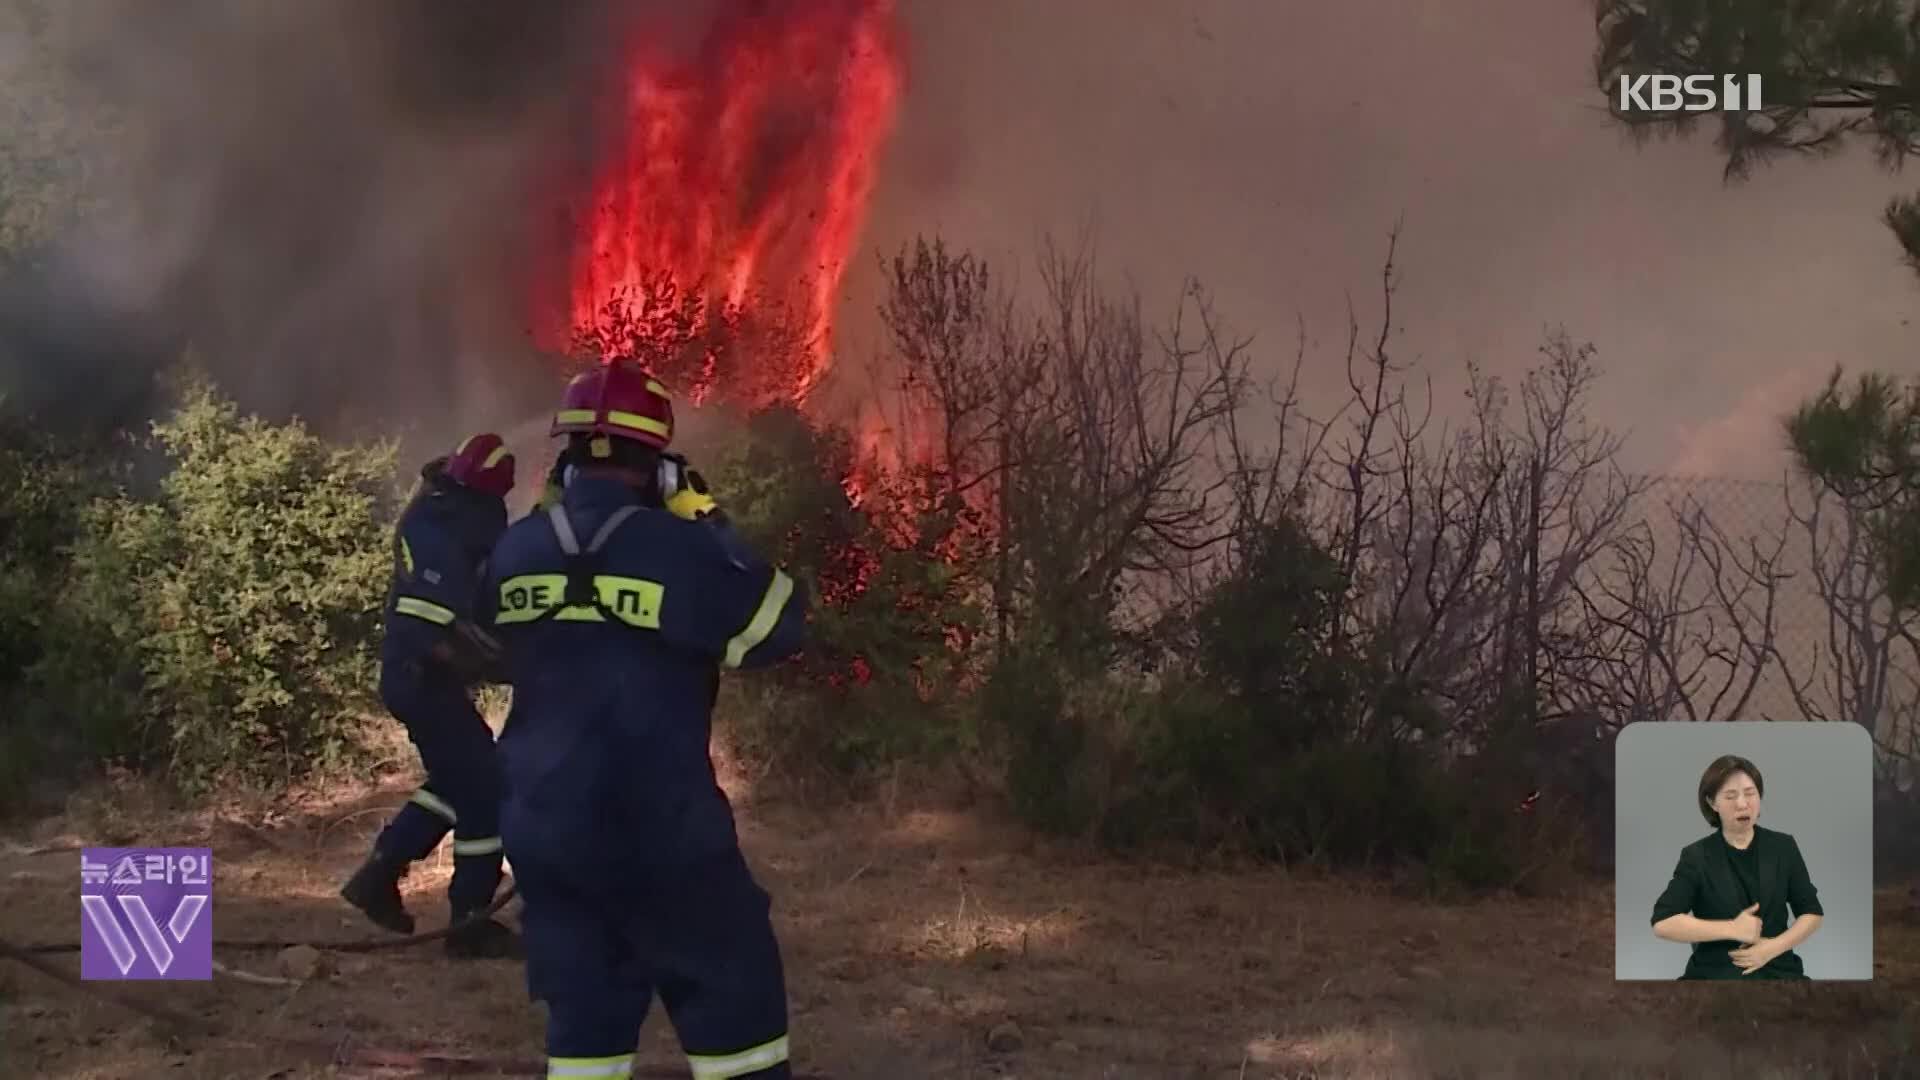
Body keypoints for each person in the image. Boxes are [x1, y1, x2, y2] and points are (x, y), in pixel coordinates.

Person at [481, 360, 808, 1079]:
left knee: (585, 1043)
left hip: (550, 838)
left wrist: (547, 524)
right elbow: (781, 626)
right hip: (665, 835)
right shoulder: (683, 550)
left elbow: (488, 636)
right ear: (657, 465)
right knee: (739, 1029)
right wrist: (710, 520)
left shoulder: (513, 552)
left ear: (565, 459)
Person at [340, 433, 521, 960]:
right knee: (484, 789)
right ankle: (468, 920)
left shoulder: (443, 514)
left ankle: (379, 873)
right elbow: (433, 633)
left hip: (420, 679)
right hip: (420, 678)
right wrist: (503, 664)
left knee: (460, 776)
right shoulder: (443, 529)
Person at [1649, 753, 1826, 979]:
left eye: (1750, 793)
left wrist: (1772, 948)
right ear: (1712, 803)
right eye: (1731, 796)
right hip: (1713, 975)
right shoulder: (1696, 856)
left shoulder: (1784, 847)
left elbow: (1812, 912)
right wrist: (1732, 928)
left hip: (1779, 972)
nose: (1743, 804)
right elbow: (1663, 922)